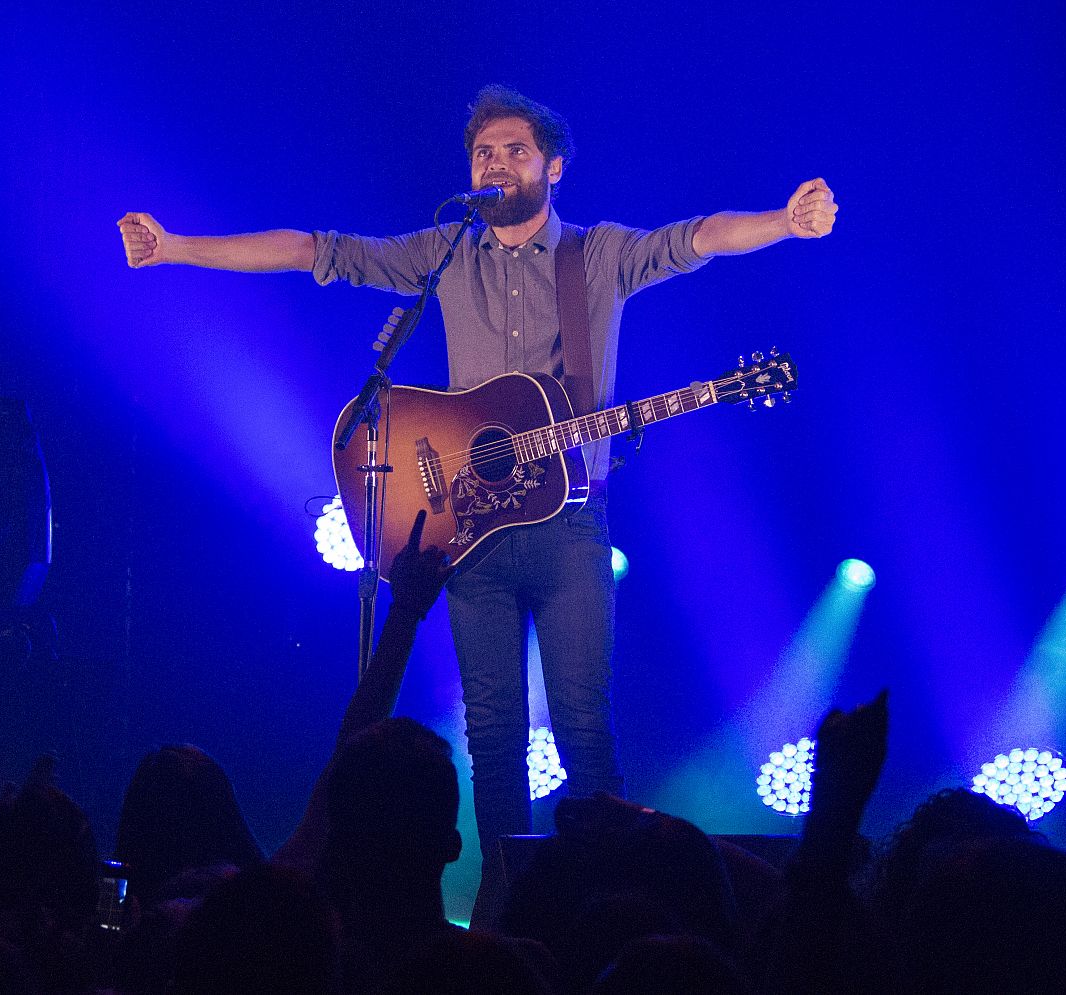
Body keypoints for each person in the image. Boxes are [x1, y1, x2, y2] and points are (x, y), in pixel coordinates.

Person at [118, 84, 838, 925]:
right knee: (493, 734)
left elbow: (698, 239)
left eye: (514, 151)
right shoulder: (445, 251)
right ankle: (509, 908)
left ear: (553, 167)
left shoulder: (598, 255)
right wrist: (176, 247)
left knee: (583, 725)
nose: (495, 164)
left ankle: (618, 905)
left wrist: (784, 221)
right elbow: (319, 250)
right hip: (471, 527)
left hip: (573, 524)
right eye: (483, 154)